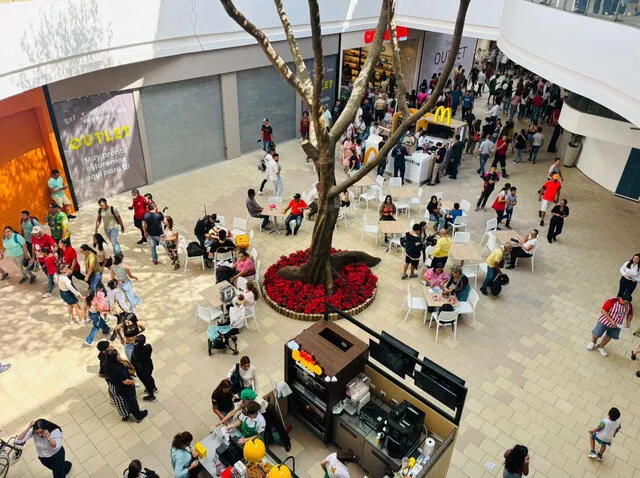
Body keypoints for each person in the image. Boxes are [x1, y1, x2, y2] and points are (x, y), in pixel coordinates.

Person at [104, 348, 148, 422]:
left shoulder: (107, 364)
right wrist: (133, 381)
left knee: (124, 401)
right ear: (114, 358)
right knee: (132, 402)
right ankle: (139, 416)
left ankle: (126, 414)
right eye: (118, 354)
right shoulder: (119, 368)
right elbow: (125, 381)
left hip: (117, 387)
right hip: (125, 389)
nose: (119, 355)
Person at [97, 341, 131, 421]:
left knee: (112, 388)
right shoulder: (105, 360)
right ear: (105, 350)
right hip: (112, 377)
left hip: (112, 376)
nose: (111, 346)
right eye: (109, 346)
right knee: (113, 390)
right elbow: (105, 372)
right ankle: (112, 399)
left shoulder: (104, 354)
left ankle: (113, 398)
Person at [131, 334, 157, 402]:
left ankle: (151, 396)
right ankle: (154, 387)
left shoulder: (135, 352)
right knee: (149, 377)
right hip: (149, 365)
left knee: (146, 382)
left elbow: (132, 362)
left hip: (141, 369)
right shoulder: (148, 347)